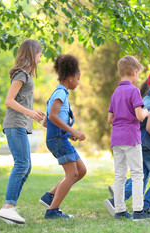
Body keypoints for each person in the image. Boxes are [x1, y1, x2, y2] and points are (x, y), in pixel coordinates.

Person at [105, 70, 150, 215]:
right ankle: (144, 206)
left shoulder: (144, 101)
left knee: (141, 175)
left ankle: (118, 199)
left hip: (140, 144)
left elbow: (145, 127)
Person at [0, 39, 45, 225]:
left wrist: (33, 112)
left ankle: (10, 208)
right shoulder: (21, 74)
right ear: (32, 54)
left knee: (26, 166)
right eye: (39, 54)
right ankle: (8, 207)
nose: (40, 59)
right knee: (21, 164)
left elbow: (20, 101)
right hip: (15, 124)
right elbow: (9, 101)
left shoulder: (25, 75)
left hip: (19, 125)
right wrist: (30, 113)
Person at [105, 55, 150, 221]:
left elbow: (110, 119)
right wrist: (146, 112)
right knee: (137, 174)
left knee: (119, 175)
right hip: (131, 138)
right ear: (134, 72)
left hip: (116, 139)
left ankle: (120, 210)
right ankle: (138, 211)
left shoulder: (116, 92)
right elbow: (139, 116)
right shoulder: (134, 91)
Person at [39, 54, 87, 219]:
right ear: (71, 77)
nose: (78, 82)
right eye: (78, 79)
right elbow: (52, 116)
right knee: (72, 174)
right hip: (58, 140)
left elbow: (46, 122)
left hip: (60, 138)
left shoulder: (58, 93)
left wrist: (67, 132)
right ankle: (52, 211)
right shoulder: (60, 93)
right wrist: (73, 131)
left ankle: (49, 196)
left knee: (81, 171)